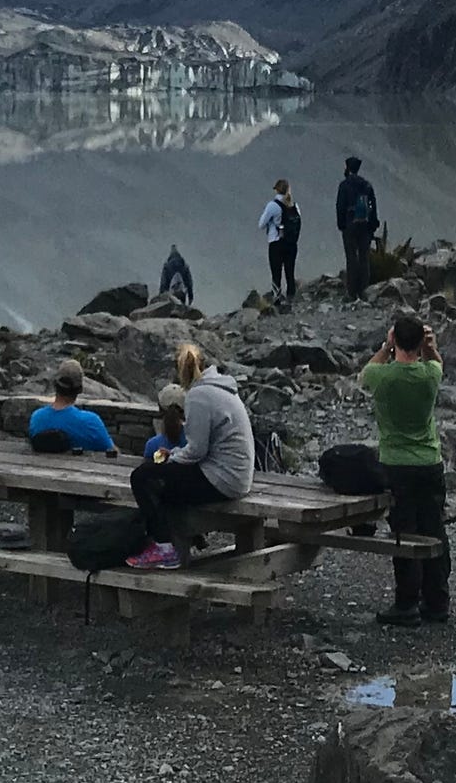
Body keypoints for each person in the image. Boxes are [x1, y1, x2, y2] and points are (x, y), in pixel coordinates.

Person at [126, 345, 254, 572]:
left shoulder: (198, 395)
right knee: (166, 486)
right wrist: (174, 458)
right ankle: (177, 540)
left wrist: (171, 458)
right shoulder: (222, 388)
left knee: (143, 478)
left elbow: (196, 451)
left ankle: (164, 549)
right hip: (237, 476)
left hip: (222, 479)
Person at [360, 313, 450, 626]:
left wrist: (386, 347)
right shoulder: (430, 374)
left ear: (395, 340)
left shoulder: (382, 377)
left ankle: (407, 602)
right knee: (434, 529)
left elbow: (366, 372)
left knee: (404, 534)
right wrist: (430, 346)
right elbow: (436, 362)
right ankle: (437, 601)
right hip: (429, 461)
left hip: (396, 464)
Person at [26, 360, 118, 454]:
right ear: (80, 389)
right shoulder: (91, 422)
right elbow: (113, 452)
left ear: (54, 385)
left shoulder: (37, 418)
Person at [336, 156, 381, 302]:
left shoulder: (344, 185)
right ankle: (365, 290)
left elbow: (340, 206)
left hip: (350, 224)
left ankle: (352, 292)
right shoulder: (367, 185)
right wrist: (373, 224)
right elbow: (373, 206)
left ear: (348, 168)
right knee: (364, 257)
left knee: (351, 257)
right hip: (365, 225)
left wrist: (341, 224)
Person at [258, 179, 303, 309]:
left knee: (276, 272)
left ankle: (276, 300)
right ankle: (291, 298)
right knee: (290, 271)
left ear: (277, 189)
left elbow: (261, 224)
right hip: (291, 243)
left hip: (276, 243)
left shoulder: (273, 205)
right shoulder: (295, 206)